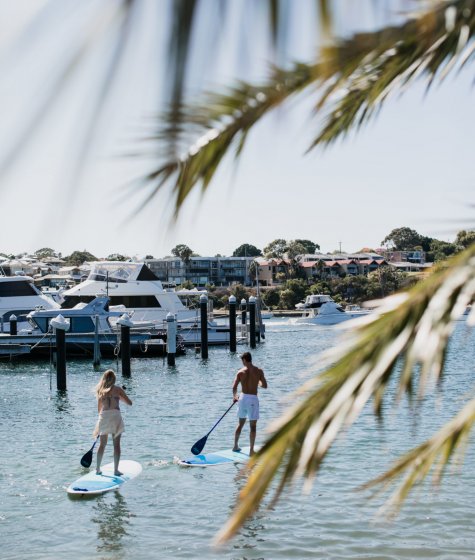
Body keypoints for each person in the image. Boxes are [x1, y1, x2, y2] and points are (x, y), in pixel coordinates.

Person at [93, 369, 132, 476]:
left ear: (104, 379)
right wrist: (120, 397)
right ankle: (116, 470)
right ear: (114, 379)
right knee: (116, 446)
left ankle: (97, 469)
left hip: (104, 416)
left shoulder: (101, 391)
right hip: (115, 416)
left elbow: (99, 409)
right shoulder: (118, 389)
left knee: (102, 445)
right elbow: (130, 403)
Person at [232, 351, 267, 456]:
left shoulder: (240, 372)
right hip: (252, 399)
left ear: (244, 360)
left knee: (240, 423)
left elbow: (234, 387)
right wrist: (257, 382)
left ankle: (235, 446)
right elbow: (265, 385)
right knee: (253, 426)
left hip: (242, 398)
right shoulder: (259, 371)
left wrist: (235, 396)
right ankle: (251, 451)